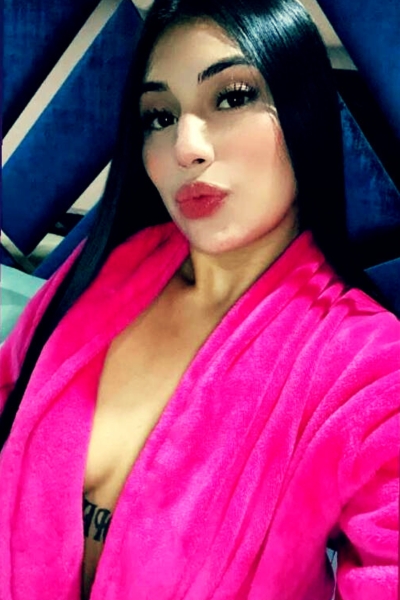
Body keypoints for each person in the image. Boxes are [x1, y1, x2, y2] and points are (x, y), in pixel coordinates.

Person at [0, 0, 399, 599]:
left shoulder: (368, 368)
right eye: (159, 116)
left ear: (303, 111)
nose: (185, 146)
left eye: (232, 97)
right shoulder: (101, 270)